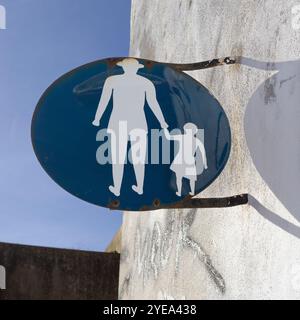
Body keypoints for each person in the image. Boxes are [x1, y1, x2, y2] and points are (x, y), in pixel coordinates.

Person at [92, 58, 168, 196]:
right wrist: (162, 122)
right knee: (131, 158)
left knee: (121, 158)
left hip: (123, 122)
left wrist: (98, 119)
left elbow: (104, 101)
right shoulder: (144, 82)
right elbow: (153, 104)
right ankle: (134, 187)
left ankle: (121, 188)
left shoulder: (114, 80)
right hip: (133, 122)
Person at [164, 123, 208, 196]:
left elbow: (202, 152)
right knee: (183, 177)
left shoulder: (187, 138)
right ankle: (182, 191)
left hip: (185, 160)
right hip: (183, 160)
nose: (187, 131)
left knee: (187, 178)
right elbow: (169, 137)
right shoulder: (187, 138)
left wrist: (205, 163)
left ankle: (186, 192)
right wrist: (205, 164)